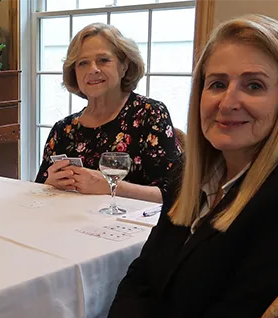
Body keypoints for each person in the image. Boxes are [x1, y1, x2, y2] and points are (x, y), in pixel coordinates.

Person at [26, 15, 278, 318]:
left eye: (254, 85)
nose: (229, 101)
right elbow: (143, 274)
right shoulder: (194, 175)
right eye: (217, 84)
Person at [37, 23, 182, 203]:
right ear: (74, 73)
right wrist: (50, 184)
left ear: (124, 66)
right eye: (83, 63)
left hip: (134, 228)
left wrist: (110, 187)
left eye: (103, 60)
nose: (93, 69)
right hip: (70, 225)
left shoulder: (151, 115)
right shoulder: (62, 130)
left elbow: (175, 196)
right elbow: (39, 193)